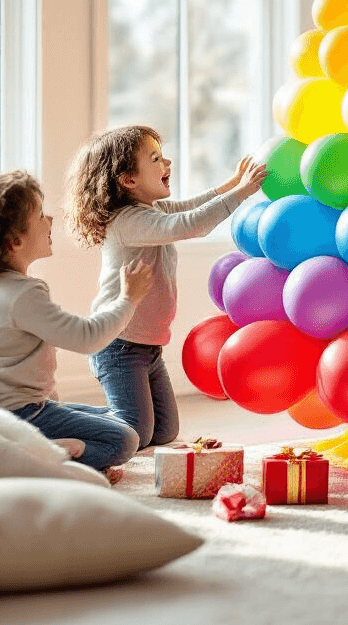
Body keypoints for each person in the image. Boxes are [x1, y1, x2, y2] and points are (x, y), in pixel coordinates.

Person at [66, 124, 267, 448]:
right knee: (136, 433)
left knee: (163, 433)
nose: (168, 163)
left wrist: (228, 186)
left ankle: (102, 416)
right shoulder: (127, 221)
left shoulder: (151, 208)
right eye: (156, 158)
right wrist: (241, 193)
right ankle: (60, 419)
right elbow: (193, 224)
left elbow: (189, 207)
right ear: (129, 180)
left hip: (147, 346)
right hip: (119, 345)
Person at [0, 170, 148, 478]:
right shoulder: (22, 294)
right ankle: (54, 458)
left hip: (7, 412)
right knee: (125, 439)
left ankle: (50, 449)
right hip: (24, 414)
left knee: (116, 419)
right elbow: (87, 337)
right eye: (39, 214)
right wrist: (128, 299)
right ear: (14, 241)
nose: (49, 219)